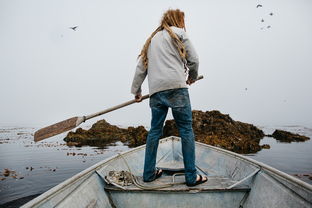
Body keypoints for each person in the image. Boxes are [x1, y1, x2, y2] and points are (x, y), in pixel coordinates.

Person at [131, 9, 207, 186]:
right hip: (176, 88)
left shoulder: (150, 41)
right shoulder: (179, 33)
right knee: (186, 129)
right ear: (178, 20)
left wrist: (137, 91)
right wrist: (192, 77)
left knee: (155, 130)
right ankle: (191, 176)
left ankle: (148, 174)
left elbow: (140, 68)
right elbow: (194, 59)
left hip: (156, 91)